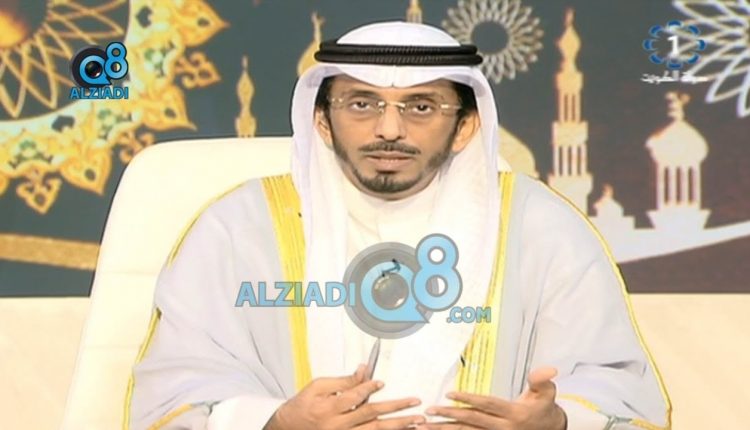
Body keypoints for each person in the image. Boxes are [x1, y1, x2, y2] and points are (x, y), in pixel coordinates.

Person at [127, 21, 671, 430]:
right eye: (362, 104)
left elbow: (619, 391)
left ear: (465, 126)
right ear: (322, 120)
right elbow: (177, 390)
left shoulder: (542, 229)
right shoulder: (237, 228)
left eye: (421, 107)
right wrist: (274, 422)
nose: (389, 129)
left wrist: (558, 423)